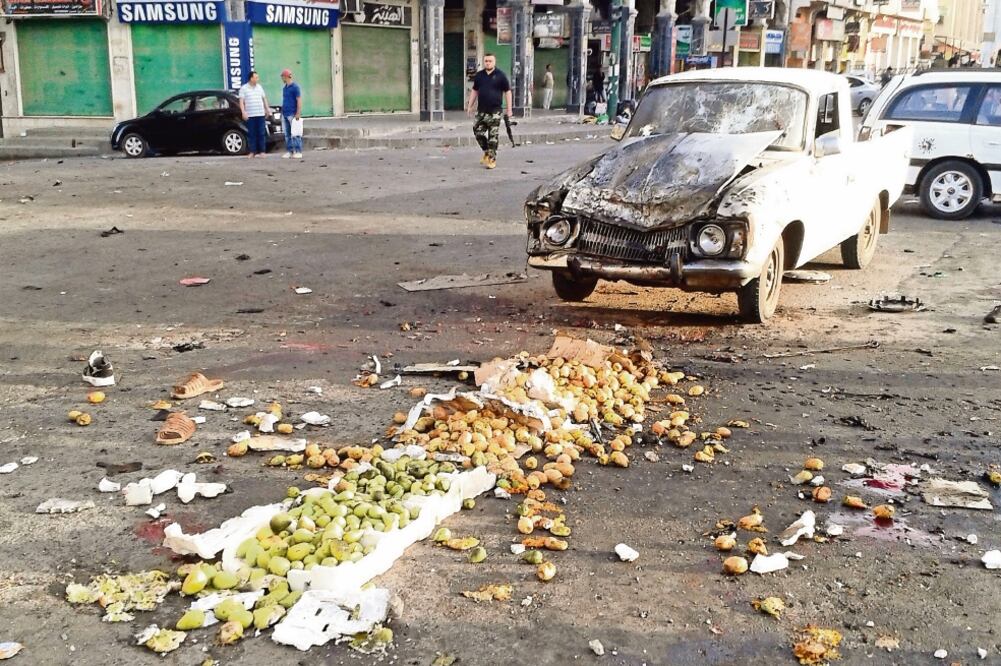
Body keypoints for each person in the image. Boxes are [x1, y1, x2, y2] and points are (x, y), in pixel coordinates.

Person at [467, 53, 512, 170]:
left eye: (490, 61)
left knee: (493, 136)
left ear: (494, 62)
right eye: (486, 61)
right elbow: (474, 91)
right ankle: (487, 152)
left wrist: (509, 109)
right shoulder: (480, 75)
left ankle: (492, 158)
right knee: (477, 131)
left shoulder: (500, 75)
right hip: (481, 111)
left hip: (495, 111)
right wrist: (470, 105)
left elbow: (508, 92)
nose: (488, 63)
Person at [239, 71, 270, 158]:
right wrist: (243, 112)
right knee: (252, 134)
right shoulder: (244, 88)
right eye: (256, 77)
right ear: (251, 78)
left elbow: (264, 98)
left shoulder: (259, 87)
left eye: (257, 77)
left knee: (261, 133)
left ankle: (262, 151)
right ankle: (252, 151)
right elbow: (241, 101)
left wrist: (267, 109)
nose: (257, 79)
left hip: (260, 113)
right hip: (250, 114)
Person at [280, 69, 303, 159]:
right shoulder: (285, 88)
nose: (282, 79)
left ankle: (298, 151)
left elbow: (299, 100)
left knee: (295, 133)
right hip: (285, 113)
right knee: (287, 134)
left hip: (292, 113)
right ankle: (290, 151)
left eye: (282, 77)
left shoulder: (295, 87)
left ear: (286, 77)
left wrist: (298, 112)